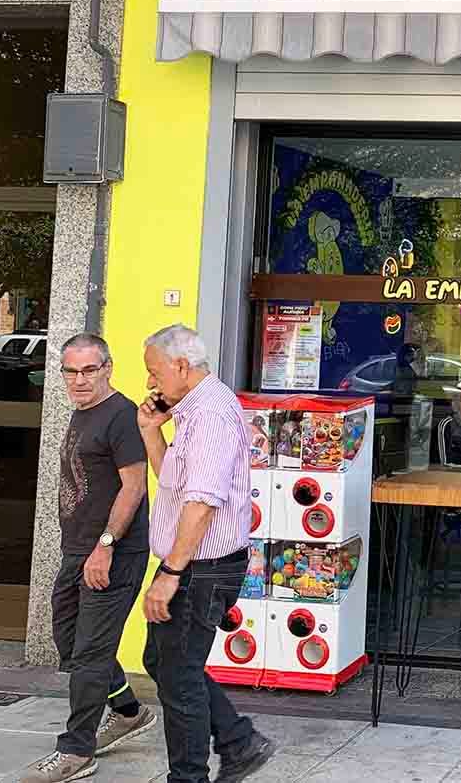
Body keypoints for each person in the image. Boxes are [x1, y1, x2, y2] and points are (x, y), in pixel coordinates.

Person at [136, 324, 275, 783]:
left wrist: (171, 572)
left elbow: (202, 502)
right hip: (190, 560)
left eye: (154, 373)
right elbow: (175, 486)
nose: (151, 384)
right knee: (165, 663)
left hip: (201, 565)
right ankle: (238, 740)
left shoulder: (211, 414)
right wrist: (150, 430)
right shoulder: (190, 411)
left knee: (179, 676)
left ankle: (190, 775)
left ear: (181, 366)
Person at [20, 334, 155, 783]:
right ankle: (129, 710)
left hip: (112, 552)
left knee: (92, 653)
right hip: (76, 549)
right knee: (70, 641)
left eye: (88, 370)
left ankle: (76, 751)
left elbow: (134, 487)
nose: (78, 379)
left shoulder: (122, 416)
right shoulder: (83, 413)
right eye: (70, 371)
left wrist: (105, 546)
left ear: (108, 368)